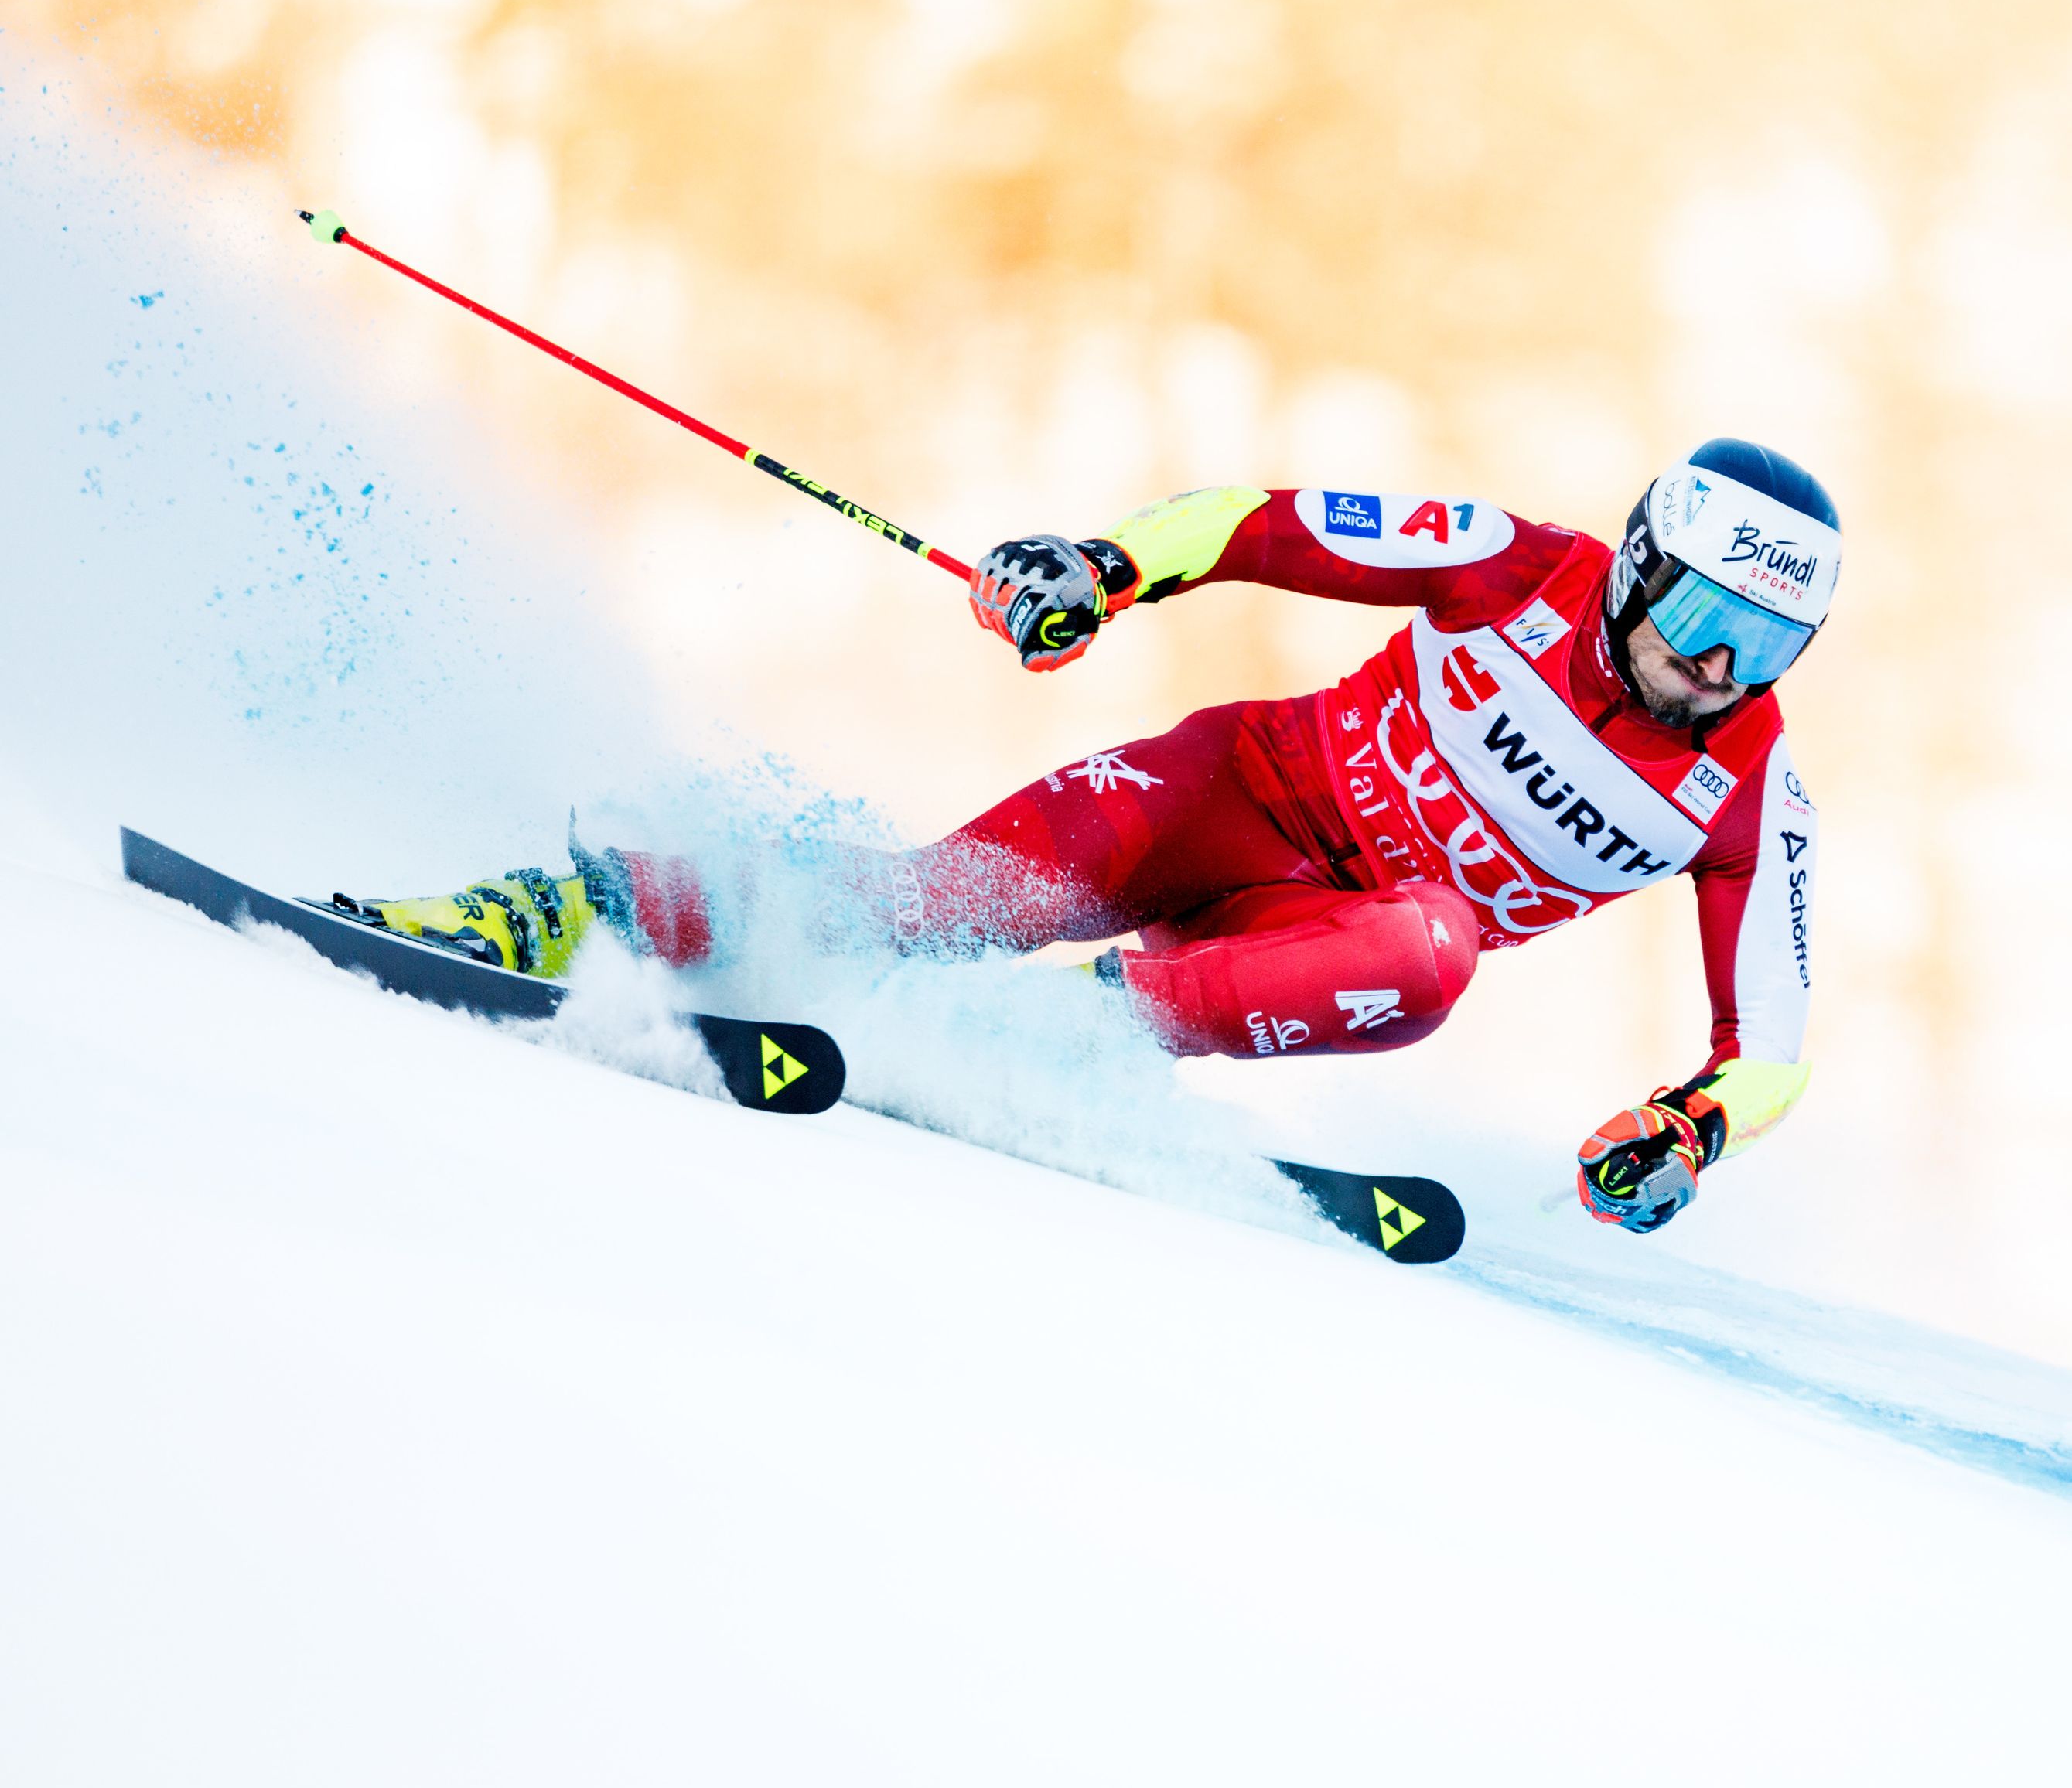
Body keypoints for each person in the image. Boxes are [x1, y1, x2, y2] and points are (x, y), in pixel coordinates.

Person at [350, 438, 1835, 1234]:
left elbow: (1770, 1042)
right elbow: (1263, 521)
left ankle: (1043, 1029)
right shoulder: (1518, 566)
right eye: (1703, 620)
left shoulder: (1750, 787)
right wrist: (1100, 567)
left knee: (1436, 947)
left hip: (1319, 946)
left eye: (1765, 649)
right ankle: (574, 907)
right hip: (1228, 794)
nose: (1717, 671)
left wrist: (1690, 1131)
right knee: (922, 903)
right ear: (1642, 566)